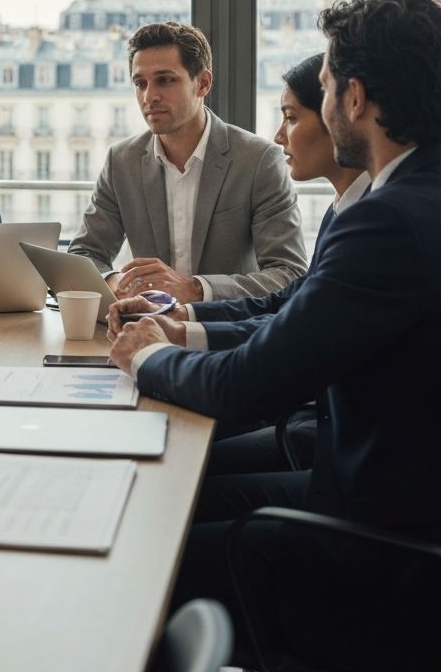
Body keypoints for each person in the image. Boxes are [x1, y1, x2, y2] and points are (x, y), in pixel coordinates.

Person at [107, 0, 441, 667]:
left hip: (388, 555)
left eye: (319, 90)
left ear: (355, 97)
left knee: (138, 552)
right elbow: (296, 321)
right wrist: (184, 328)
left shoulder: (390, 221)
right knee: (177, 496)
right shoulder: (412, 199)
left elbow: (247, 387)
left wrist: (146, 357)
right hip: (395, 500)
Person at [108, 52, 370, 473]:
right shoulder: (348, 208)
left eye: (291, 117)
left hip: (338, 455)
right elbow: (284, 306)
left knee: (165, 476)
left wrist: (150, 353)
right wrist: (181, 321)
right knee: (160, 463)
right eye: (140, 83)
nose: (279, 136)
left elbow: (267, 343)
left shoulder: (374, 220)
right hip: (317, 424)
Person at [68, 22, 306, 301]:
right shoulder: (121, 161)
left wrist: (195, 289)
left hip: (226, 331)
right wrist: (115, 280)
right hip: (144, 328)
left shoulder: (258, 161)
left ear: (203, 83)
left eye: (165, 80)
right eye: (140, 83)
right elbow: (84, 255)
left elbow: (289, 274)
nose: (149, 96)